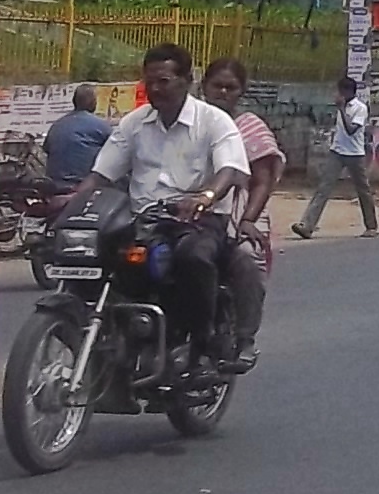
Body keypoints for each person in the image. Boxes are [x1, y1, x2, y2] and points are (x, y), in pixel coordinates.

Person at [84, 44, 250, 369]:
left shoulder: (214, 121)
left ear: (187, 80)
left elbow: (229, 170)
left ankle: (202, 341)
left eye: (164, 81)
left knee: (194, 257)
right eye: (150, 82)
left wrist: (205, 197)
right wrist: (69, 203)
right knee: (100, 256)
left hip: (200, 221)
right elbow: (100, 174)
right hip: (143, 222)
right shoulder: (134, 123)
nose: (155, 89)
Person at [197, 58, 278, 370]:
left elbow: (262, 180)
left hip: (238, 209)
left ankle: (245, 338)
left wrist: (248, 220)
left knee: (245, 259)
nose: (222, 92)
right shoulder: (191, 121)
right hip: (187, 207)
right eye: (216, 85)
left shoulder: (250, 127)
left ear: (241, 92)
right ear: (203, 87)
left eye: (230, 87)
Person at [293, 74, 377, 239]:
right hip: (337, 153)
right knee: (323, 189)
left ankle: (371, 226)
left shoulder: (360, 108)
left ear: (346, 92)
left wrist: (341, 109)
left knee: (363, 190)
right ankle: (307, 225)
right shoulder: (343, 107)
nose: (336, 95)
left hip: (355, 154)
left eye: (339, 92)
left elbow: (351, 130)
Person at [41, 84, 113, 204]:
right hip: (84, 188)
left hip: (54, 187)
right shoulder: (101, 126)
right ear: (93, 102)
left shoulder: (57, 125)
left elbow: (47, 149)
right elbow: (117, 151)